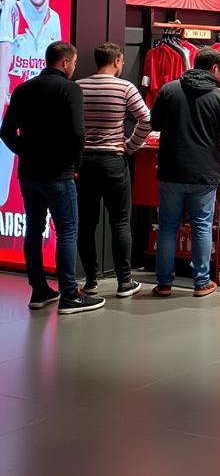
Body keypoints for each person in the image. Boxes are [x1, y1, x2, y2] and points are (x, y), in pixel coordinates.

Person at [0, 41, 103, 314]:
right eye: (74, 63)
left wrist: (26, 151)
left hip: (29, 174)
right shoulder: (70, 89)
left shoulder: (23, 89)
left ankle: (39, 290)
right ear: (66, 62)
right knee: (67, 230)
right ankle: (70, 294)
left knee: (33, 231)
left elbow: (6, 131)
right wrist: (76, 163)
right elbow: (77, 132)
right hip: (59, 173)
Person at [150, 46, 220, 298]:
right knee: (201, 226)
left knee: (168, 226)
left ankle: (164, 283)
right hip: (204, 171)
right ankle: (201, 282)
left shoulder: (169, 89)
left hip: (171, 169)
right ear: (215, 68)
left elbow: (154, 122)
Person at [77, 42, 151, 298]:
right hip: (113, 160)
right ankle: (124, 281)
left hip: (85, 161)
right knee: (120, 222)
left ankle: (90, 281)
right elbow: (146, 119)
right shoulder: (125, 87)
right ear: (118, 61)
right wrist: (130, 146)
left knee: (86, 223)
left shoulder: (79, 86)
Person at [0, 0, 63, 207]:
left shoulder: (55, 19)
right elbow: (3, 66)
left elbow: (58, 72)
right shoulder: (12, 12)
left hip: (42, 120)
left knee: (37, 200)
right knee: (4, 197)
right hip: (12, 112)